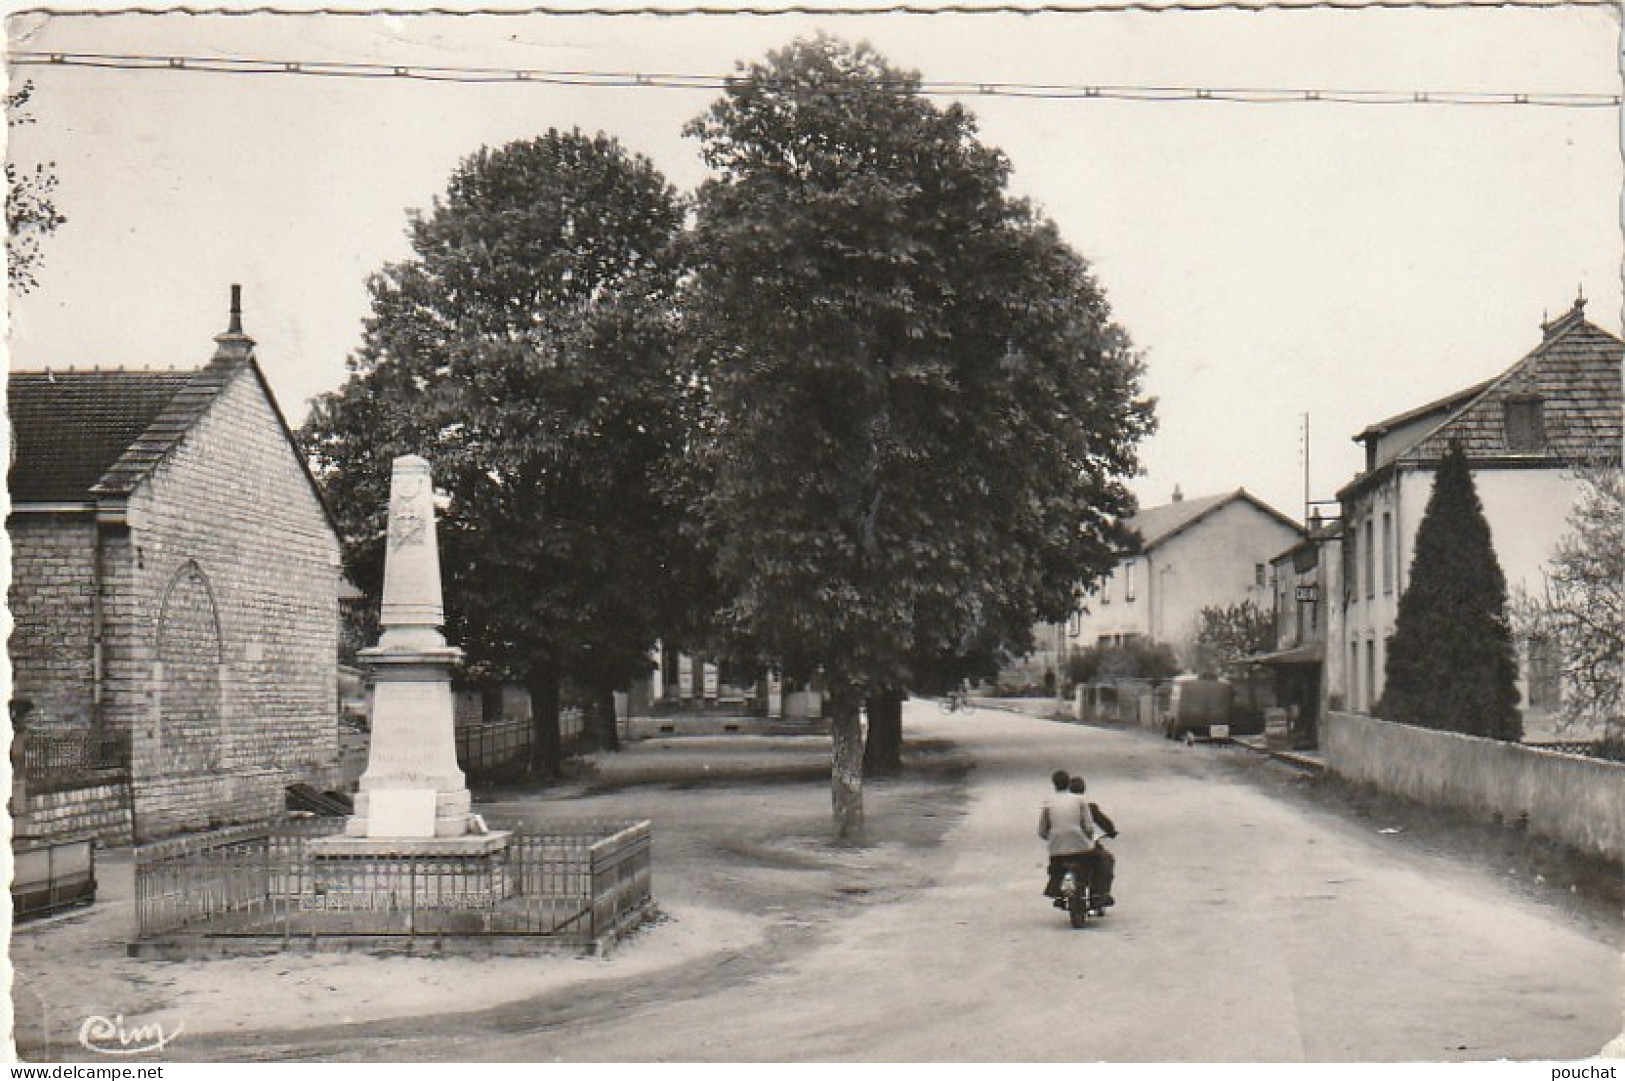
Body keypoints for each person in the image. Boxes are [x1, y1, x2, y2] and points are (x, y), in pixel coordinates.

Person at [1038, 769, 1093, 902]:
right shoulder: (1080, 800)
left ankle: (1057, 889)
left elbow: (1042, 831)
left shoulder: (1048, 802)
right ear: (1068, 783)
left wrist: (1053, 838)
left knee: (1055, 870)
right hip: (1079, 846)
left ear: (1054, 784)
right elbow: (1089, 827)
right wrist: (1088, 837)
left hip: (1056, 848)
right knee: (1093, 863)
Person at [1068, 775, 1116, 909]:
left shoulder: (1058, 808)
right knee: (1106, 860)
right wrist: (1111, 832)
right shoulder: (1090, 808)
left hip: (1064, 848)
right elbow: (1104, 824)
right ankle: (1099, 894)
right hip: (1085, 847)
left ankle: (1059, 891)